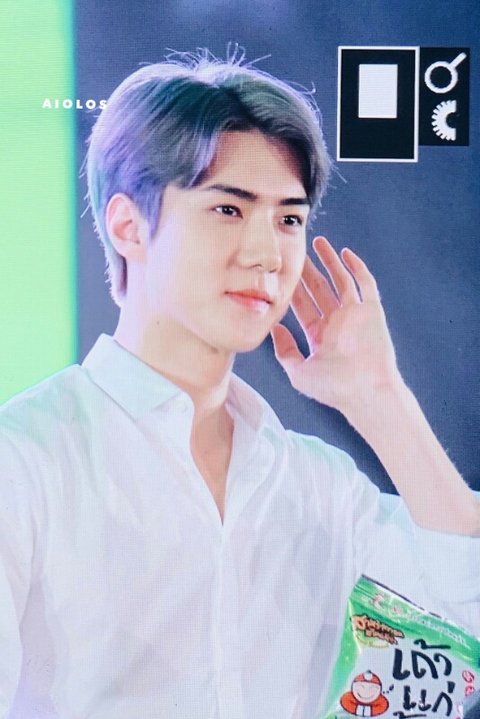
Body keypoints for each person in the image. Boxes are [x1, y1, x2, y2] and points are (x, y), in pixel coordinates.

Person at [0, 50, 478, 719]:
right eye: (229, 209)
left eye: (289, 218)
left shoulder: (319, 486)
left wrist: (381, 399)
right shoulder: (25, 461)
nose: (266, 254)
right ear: (127, 226)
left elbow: (464, 618)